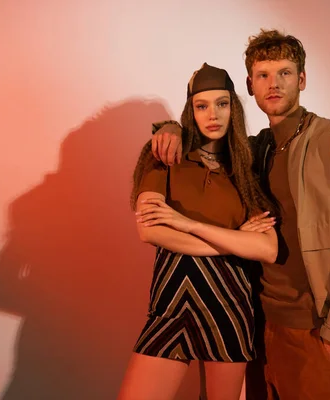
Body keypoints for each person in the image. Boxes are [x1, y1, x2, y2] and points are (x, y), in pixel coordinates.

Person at [149, 30, 330, 400]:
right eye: (263, 75)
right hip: (258, 324)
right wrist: (170, 129)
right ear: (249, 84)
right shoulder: (253, 151)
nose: (273, 84)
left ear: (303, 79)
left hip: (313, 328)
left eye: (284, 73)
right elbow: (209, 137)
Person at [117, 63, 279, 400]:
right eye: (202, 106)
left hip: (229, 305)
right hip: (172, 304)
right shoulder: (166, 154)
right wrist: (232, 244)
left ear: (233, 107)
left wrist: (186, 224)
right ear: (190, 109)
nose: (213, 115)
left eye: (222, 104)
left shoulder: (244, 169)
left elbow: (267, 248)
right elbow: (150, 231)